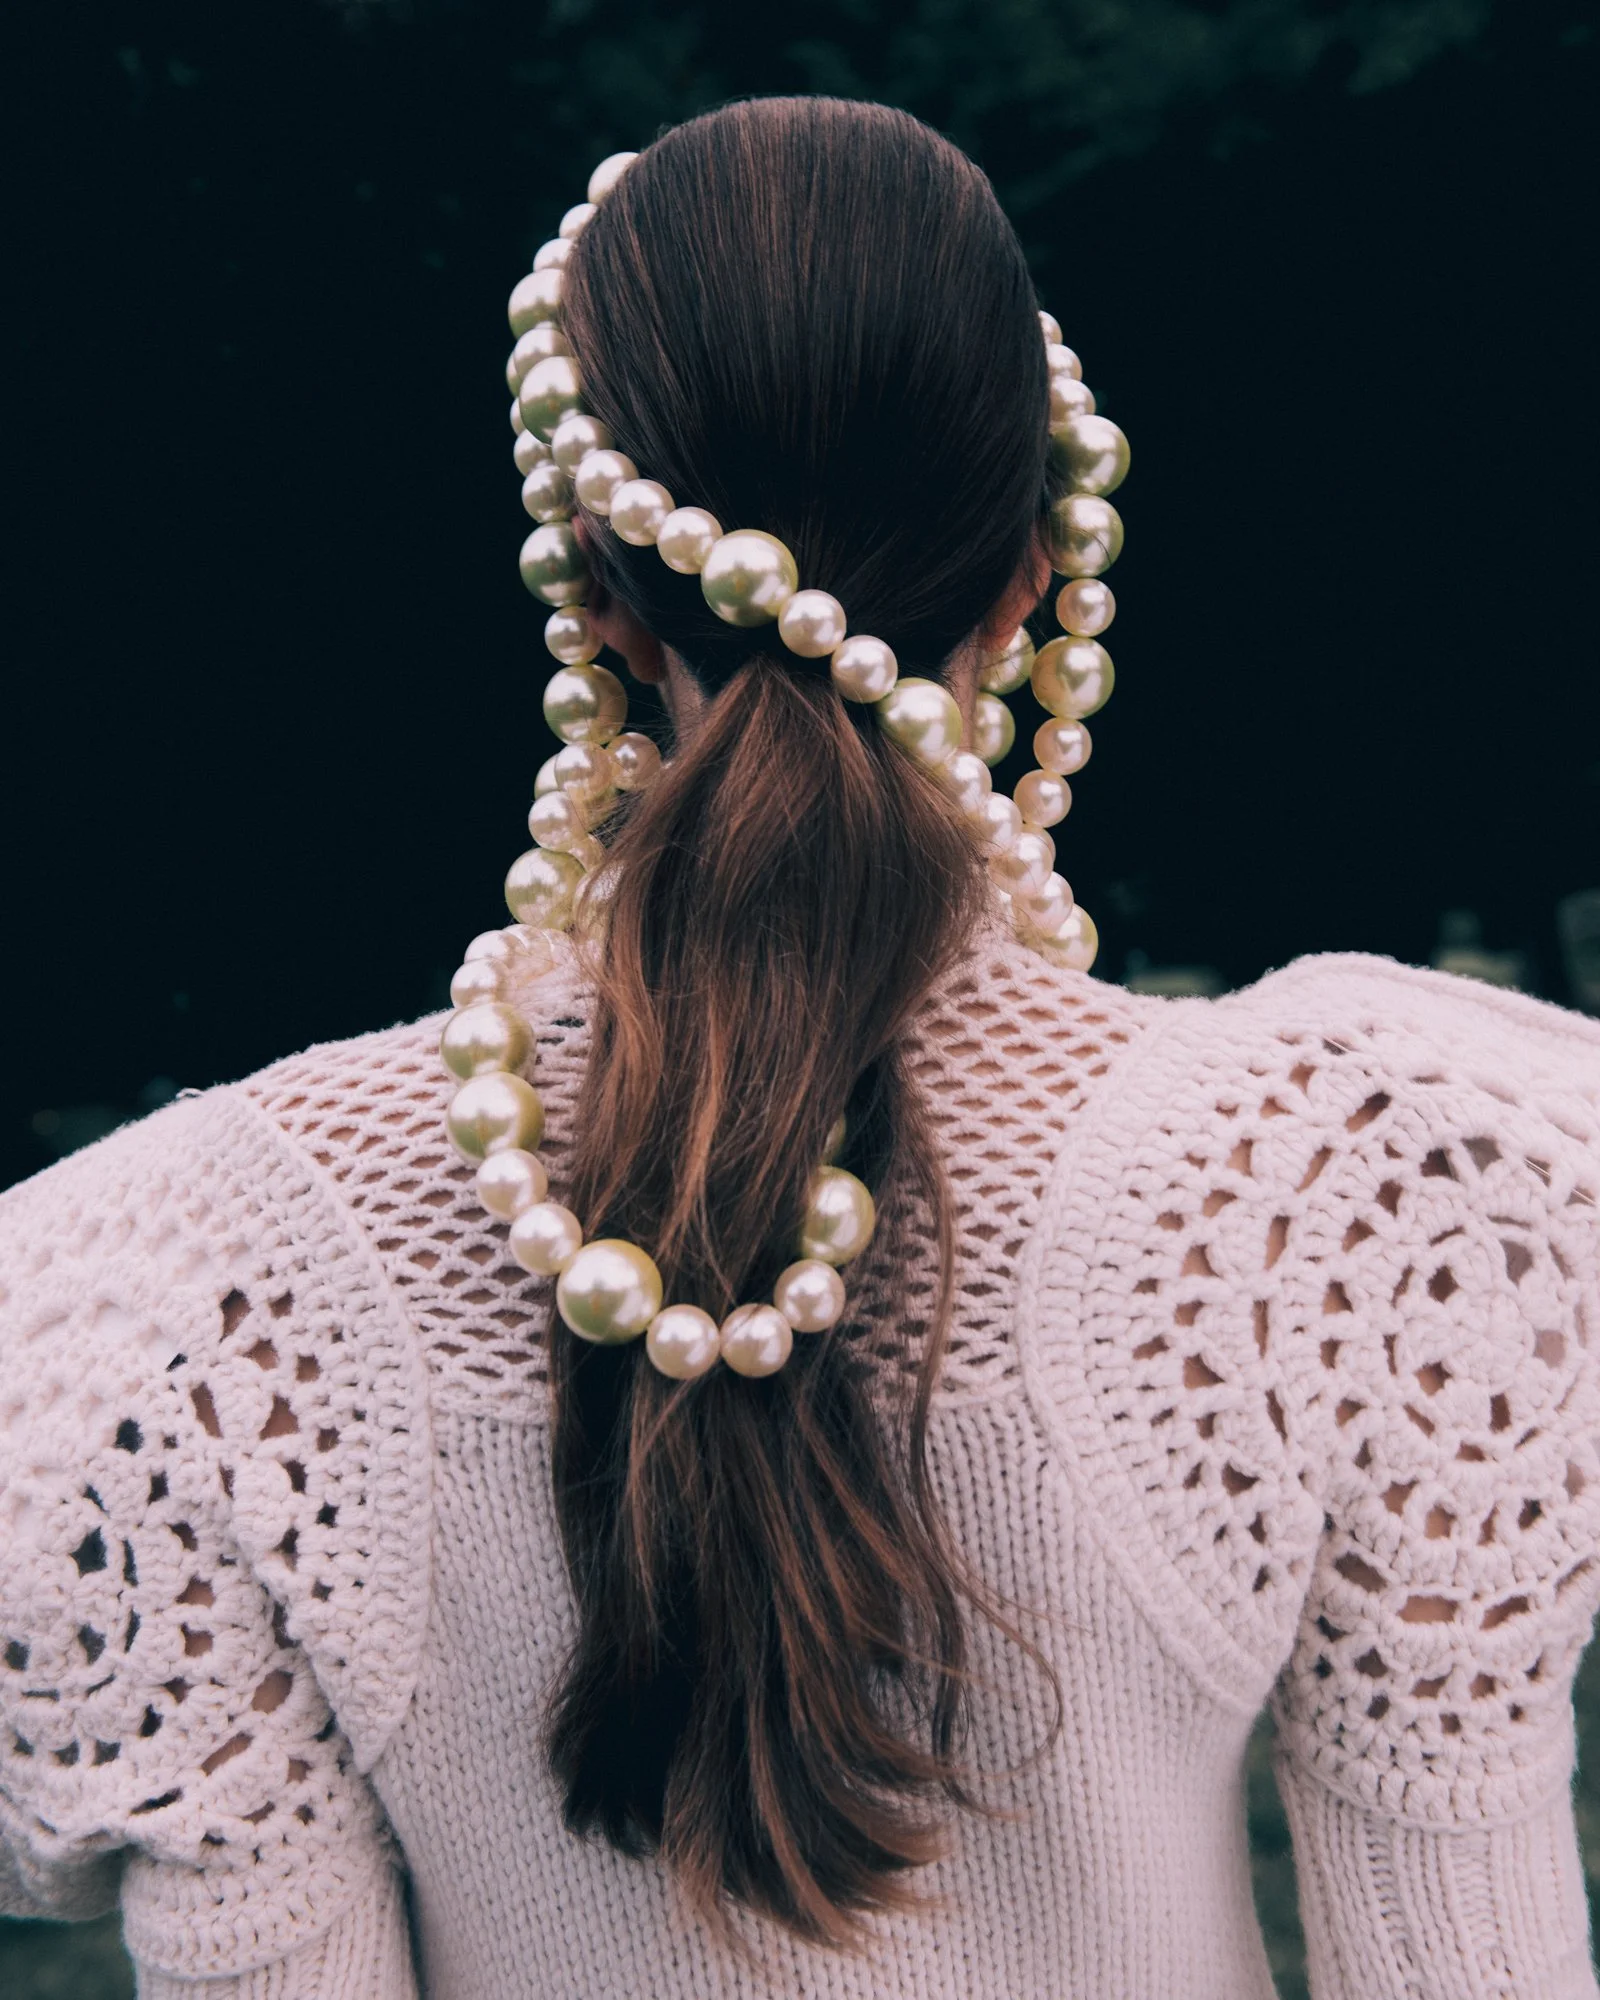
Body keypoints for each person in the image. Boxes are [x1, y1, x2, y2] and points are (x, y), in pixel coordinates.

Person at [3, 95, 1599, 2000]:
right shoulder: (1375, 1199)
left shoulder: (188, 1290)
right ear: (1035, 568)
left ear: (590, 586)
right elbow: (1465, 1961)